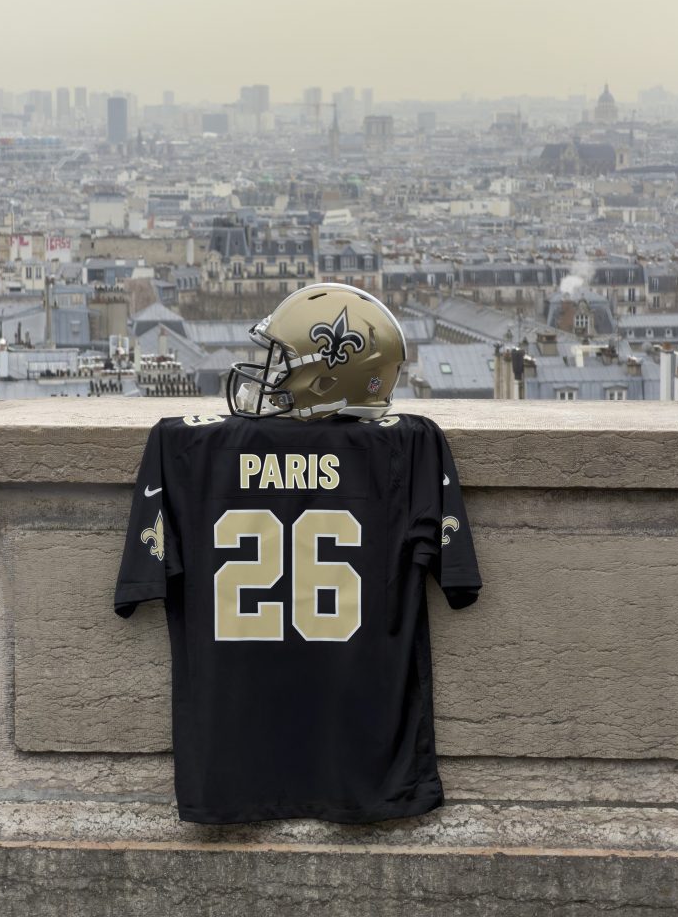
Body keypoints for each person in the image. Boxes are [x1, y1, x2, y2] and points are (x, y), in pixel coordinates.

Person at [115, 283, 481, 824]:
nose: (271, 373)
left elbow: (138, 593)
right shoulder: (412, 448)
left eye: (285, 361)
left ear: (332, 373)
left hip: (231, 762)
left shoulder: (184, 450)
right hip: (366, 764)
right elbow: (459, 585)